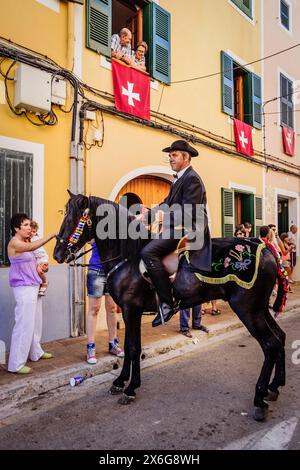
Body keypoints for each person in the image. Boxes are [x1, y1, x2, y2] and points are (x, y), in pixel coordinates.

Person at [140, 140, 211, 327]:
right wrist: (147, 215)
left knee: (148, 252)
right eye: (170, 155)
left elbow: (189, 212)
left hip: (189, 229)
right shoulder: (178, 179)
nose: (170, 158)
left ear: (186, 158)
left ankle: (167, 302)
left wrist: (164, 216)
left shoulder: (192, 179)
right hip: (177, 227)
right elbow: (166, 204)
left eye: (174, 155)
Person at [7, 213, 57, 374]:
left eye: (30, 225)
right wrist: (51, 235)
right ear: (16, 228)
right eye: (26, 225)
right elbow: (32, 248)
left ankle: (36, 352)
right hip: (23, 287)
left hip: (34, 284)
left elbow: (36, 259)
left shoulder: (26, 242)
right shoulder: (14, 243)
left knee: (36, 322)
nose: (29, 228)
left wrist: (43, 267)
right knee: (23, 325)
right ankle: (16, 364)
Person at [86, 242, 124, 364]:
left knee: (112, 308)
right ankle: (90, 347)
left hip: (113, 271)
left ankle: (113, 343)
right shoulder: (96, 225)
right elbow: (87, 238)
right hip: (96, 270)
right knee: (94, 309)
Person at [30, 220, 49, 296]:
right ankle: (41, 284)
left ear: (36, 232)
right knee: (38, 271)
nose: (32, 233)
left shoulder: (35, 238)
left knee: (39, 271)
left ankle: (45, 282)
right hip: (37, 258)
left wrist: (45, 262)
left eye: (34, 232)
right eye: (31, 231)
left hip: (42, 257)